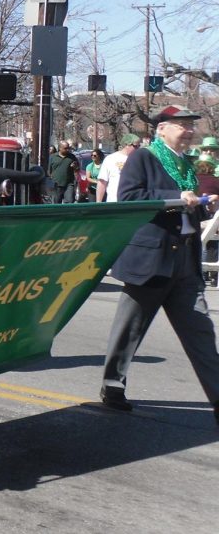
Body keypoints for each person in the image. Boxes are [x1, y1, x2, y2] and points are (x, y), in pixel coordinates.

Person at [99, 106, 219, 427]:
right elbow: (130, 196)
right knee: (129, 330)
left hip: (185, 261)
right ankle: (113, 386)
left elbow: (189, 209)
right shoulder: (144, 158)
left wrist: (204, 208)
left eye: (191, 124)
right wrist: (177, 197)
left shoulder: (186, 164)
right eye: (182, 124)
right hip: (152, 258)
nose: (189, 130)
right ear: (162, 128)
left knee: (201, 333)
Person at [97, 133, 141, 202]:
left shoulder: (139, 160)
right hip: (114, 203)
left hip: (134, 203)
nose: (138, 149)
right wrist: (98, 203)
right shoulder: (111, 159)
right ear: (127, 145)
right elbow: (102, 182)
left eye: (139, 146)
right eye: (135, 146)